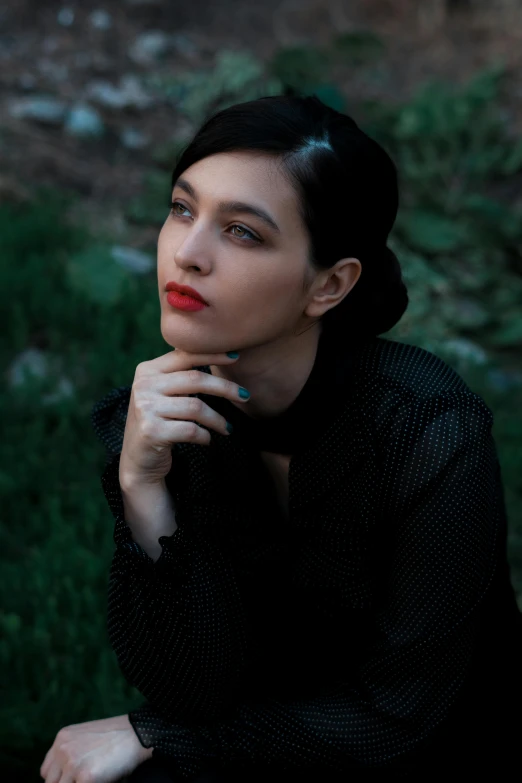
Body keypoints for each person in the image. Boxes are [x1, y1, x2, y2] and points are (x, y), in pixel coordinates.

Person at [87, 94, 522, 782]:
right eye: (181, 208)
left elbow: (399, 716)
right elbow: (189, 688)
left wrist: (159, 734)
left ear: (329, 284)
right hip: (262, 736)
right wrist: (141, 484)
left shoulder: (426, 428)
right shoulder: (157, 419)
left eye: (243, 233)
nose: (188, 254)